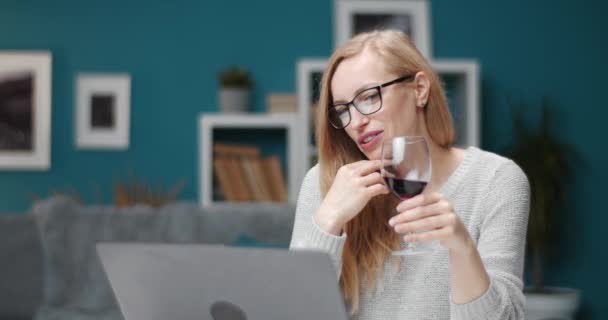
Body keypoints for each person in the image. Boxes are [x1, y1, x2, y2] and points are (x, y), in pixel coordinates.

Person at [289, 30, 530, 320]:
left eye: (368, 97)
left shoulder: (495, 180)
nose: (356, 122)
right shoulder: (323, 183)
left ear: (419, 89)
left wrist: (461, 247)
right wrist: (327, 220)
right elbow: (294, 312)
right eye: (343, 110)